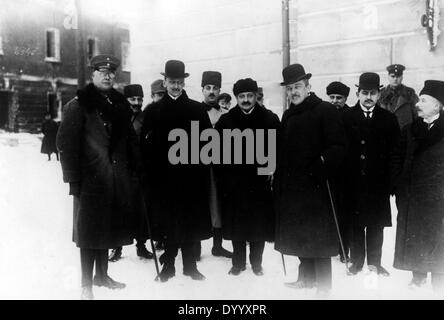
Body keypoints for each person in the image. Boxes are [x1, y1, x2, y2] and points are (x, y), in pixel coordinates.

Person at [56, 54, 140, 300]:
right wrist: (73, 181)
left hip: (115, 179)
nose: (108, 76)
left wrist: (137, 167)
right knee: (89, 233)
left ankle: (102, 276)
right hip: (89, 182)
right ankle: (86, 285)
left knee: (108, 229)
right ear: (92, 75)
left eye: (111, 72)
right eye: (102, 71)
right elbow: (65, 145)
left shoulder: (119, 106)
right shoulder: (78, 106)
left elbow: (130, 141)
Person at [274, 64, 347, 295]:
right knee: (299, 235)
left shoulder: (324, 110)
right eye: (290, 88)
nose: (293, 92)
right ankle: (305, 278)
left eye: (298, 86)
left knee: (319, 239)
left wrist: (321, 164)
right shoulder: (288, 114)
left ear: (308, 86)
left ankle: (324, 287)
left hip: (318, 187)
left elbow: (339, 146)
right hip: (294, 187)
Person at [140, 60, 212, 282]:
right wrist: (148, 173)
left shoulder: (196, 109)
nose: (175, 86)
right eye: (171, 82)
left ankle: (190, 266)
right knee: (168, 223)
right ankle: (168, 265)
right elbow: (145, 146)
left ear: (184, 83)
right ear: (165, 82)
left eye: (179, 82)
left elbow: (208, 142)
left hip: (191, 177)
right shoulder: (153, 111)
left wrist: (200, 168)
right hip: (164, 179)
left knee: (190, 222)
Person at [216, 78, 279, 276]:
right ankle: (238, 263)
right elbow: (218, 154)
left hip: (259, 182)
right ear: (236, 98)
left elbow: (277, 148)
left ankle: (257, 263)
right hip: (235, 183)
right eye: (241, 96)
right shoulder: (226, 121)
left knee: (258, 226)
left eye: (249, 96)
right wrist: (226, 177)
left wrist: (270, 170)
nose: (245, 100)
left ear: (256, 96)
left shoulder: (269, 118)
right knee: (237, 226)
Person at [343, 72, 400, 277]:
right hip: (353, 182)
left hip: (378, 183)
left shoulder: (389, 119)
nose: (368, 97)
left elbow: (395, 152)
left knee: (376, 225)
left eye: (373, 93)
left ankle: (375, 263)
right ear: (357, 93)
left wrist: (392, 182)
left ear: (378, 94)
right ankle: (356, 263)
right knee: (356, 224)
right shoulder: (346, 117)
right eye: (364, 92)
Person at [392, 80, 444, 292]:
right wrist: (398, 187)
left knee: (439, 237)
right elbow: (397, 158)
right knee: (416, 237)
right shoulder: (409, 129)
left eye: (423, 100)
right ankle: (418, 276)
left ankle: (439, 280)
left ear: (438, 105)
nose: (417, 104)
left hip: (439, 197)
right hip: (413, 196)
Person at [108, 84, 154, 262]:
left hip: (140, 171)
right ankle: (117, 248)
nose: (137, 103)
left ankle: (141, 246)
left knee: (141, 210)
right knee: (120, 210)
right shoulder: (118, 118)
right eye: (133, 99)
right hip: (122, 171)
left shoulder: (146, 118)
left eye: (139, 99)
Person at [196, 70, 232, 260]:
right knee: (197, 204)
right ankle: (194, 248)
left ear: (219, 90)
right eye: (208, 88)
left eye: (215, 88)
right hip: (197, 166)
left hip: (219, 167)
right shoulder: (193, 111)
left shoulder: (226, 114)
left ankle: (217, 246)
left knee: (217, 204)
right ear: (202, 90)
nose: (211, 91)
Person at [326, 81, 351, 263]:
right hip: (328, 171)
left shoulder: (349, 116)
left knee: (344, 212)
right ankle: (331, 246)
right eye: (332, 97)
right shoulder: (324, 114)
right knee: (328, 210)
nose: (335, 101)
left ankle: (344, 250)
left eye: (339, 98)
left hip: (345, 172)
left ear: (345, 99)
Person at [379, 64, 418, 129]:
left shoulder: (409, 93)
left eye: (398, 76)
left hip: (406, 132)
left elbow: (416, 114)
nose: (395, 79)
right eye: (393, 76)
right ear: (388, 77)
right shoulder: (382, 94)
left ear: (402, 77)